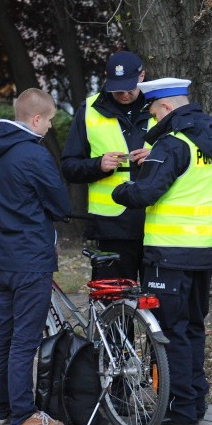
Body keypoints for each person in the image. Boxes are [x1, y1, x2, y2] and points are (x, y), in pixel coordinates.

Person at [111, 77, 212, 425]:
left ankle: (181, 411)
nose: (151, 120)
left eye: (152, 112)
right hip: (203, 252)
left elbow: (146, 193)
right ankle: (195, 401)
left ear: (166, 108)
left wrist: (122, 190)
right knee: (193, 327)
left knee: (170, 331)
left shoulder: (172, 144)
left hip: (167, 255)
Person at [0, 88, 71, 425]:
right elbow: (61, 204)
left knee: (3, 334)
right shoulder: (34, 155)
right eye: (48, 120)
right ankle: (24, 414)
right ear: (36, 119)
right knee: (25, 339)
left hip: (4, 252)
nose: (50, 126)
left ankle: (1, 407)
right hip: (31, 254)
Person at [61, 51, 153, 282]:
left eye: (129, 87)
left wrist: (158, 155)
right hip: (113, 226)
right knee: (113, 301)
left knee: (157, 304)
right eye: (117, 88)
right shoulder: (89, 109)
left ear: (142, 76)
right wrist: (98, 165)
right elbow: (69, 167)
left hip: (158, 221)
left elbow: (185, 155)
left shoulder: (160, 106)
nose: (123, 94)